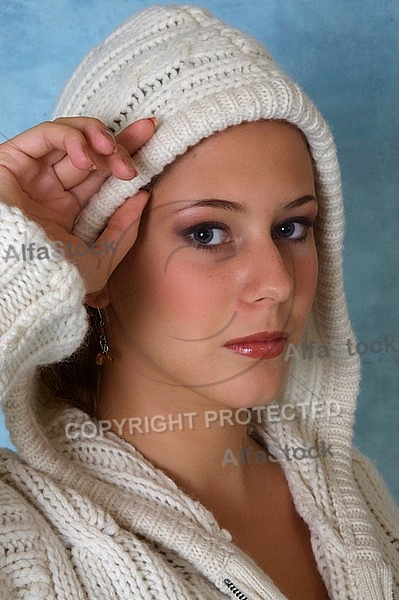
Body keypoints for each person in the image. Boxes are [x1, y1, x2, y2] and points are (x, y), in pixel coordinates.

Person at [0, 4, 397, 599]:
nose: (277, 283)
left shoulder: (355, 491)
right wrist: (13, 253)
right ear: (97, 263)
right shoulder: (22, 534)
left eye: (292, 228)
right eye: (206, 233)